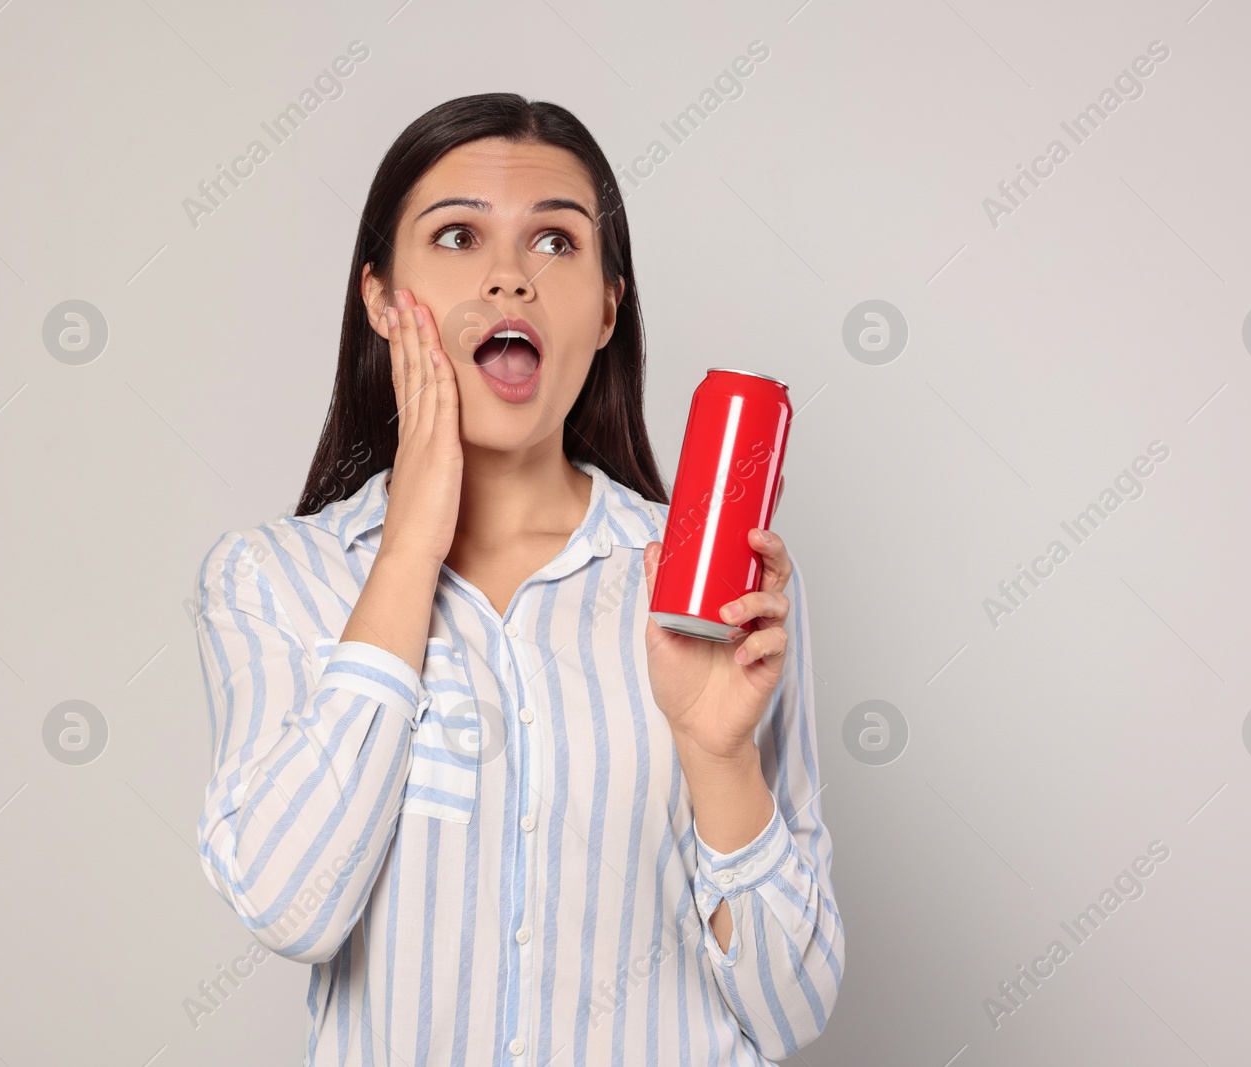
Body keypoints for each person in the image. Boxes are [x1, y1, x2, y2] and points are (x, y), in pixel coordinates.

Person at [191, 92, 842, 1065]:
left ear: (609, 304)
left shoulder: (707, 589)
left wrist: (717, 756)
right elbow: (292, 907)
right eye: (457, 235)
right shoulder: (277, 579)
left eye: (555, 243)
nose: (508, 277)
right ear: (378, 296)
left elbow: (792, 1008)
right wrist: (411, 540)